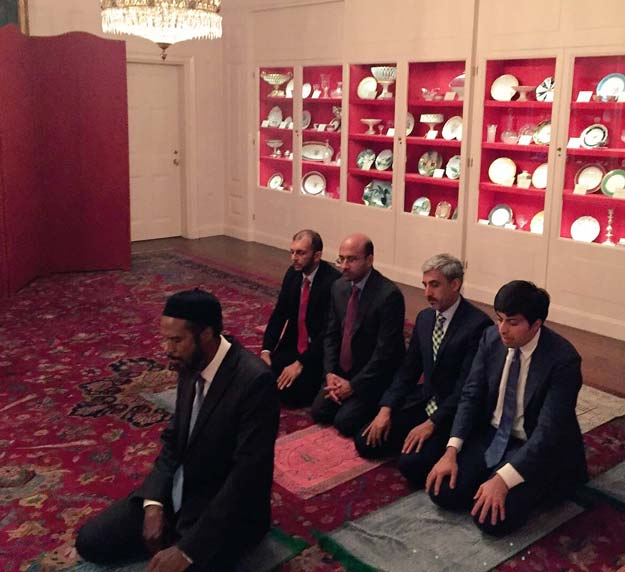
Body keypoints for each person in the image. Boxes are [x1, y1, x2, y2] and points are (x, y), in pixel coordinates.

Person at [76, 289, 279, 571]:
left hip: (224, 509)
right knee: (91, 541)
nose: (166, 349)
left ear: (206, 334)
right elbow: (174, 440)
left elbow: (247, 477)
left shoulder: (255, 381)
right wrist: (154, 502)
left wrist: (188, 549)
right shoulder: (190, 361)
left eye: (175, 340)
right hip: (179, 490)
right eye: (164, 338)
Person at [426, 280, 588, 536]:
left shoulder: (563, 360)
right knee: (442, 492)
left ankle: (525, 483)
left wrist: (504, 479)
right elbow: (471, 394)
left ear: (536, 324)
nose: (502, 329)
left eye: (512, 322)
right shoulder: (491, 338)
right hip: (493, 435)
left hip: (535, 444)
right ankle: (489, 476)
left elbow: (549, 431)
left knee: (491, 520)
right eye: (499, 319)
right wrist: (452, 450)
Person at [355, 254, 492, 487]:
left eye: (435, 285)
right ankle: (414, 440)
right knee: (365, 442)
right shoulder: (425, 318)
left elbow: (466, 389)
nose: (427, 293)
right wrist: (386, 410)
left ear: (455, 284)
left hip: (453, 412)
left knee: (411, 466)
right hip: (425, 401)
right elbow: (408, 371)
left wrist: (432, 423)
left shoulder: (478, 325)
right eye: (425, 285)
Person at [310, 233, 406, 437]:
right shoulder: (338, 287)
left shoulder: (389, 296)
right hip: (344, 371)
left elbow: (385, 354)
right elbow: (331, 335)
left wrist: (353, 386)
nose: (344, 265)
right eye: (341, 259)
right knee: (319, 411)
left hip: (373, 375)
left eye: (351, 259)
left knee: (344, 423)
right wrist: (330, 374)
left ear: (369, 260)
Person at [261, 229, 340, 407]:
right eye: (292, 252)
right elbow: (279, 314)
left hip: (318, 351)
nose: (294, 258)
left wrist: (300, 363)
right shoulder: (293, 274)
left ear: (317, 255)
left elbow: (328, 333)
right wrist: (266, 350)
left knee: (292, 396)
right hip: (294, 343)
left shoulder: (333, 282)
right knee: (261, 377)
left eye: (301, 253)